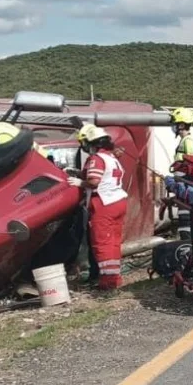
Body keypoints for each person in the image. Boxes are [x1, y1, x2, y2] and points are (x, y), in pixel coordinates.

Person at [76, 124, 128, 290]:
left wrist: (80, 182)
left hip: (103, 203)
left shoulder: (96, 159)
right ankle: (115, 278)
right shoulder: (112, 158)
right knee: (113, 242)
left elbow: (93, 182)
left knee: (102, 243)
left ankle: (107, 282)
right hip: (118, 201)